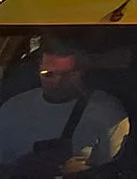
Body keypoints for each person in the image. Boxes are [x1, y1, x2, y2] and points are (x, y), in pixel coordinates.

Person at [0, 36, 129, 173]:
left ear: (81, 72)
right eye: (48, 74)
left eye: (67, 74)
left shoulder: (107, 111)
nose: (57, 82)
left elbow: (113, 171)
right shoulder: (14, 107)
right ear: (38, 71)